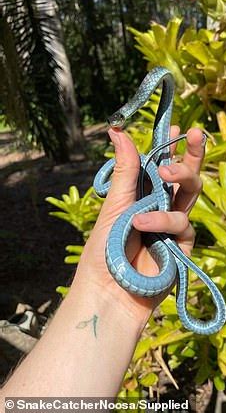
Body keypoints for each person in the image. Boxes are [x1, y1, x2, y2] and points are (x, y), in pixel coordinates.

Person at [0, 125, 204, 398]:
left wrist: (111, 301)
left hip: (135, 267)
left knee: (162, 193)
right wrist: (102, 293)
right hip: (121, 269)